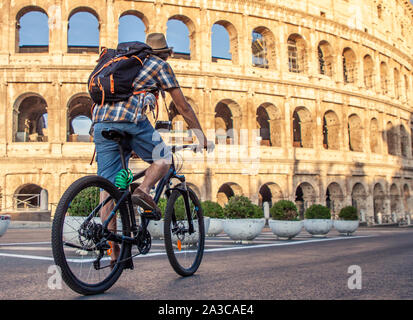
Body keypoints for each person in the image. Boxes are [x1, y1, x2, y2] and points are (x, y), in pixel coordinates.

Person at [92, 33, 213, 265]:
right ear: (165, 52)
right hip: (130, 120)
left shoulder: (116, 63)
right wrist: (200, 136)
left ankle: (115, 249)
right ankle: (145, 190)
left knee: (108, 188)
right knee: (165, 158)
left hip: (100, 124)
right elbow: (183, 106)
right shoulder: (159, 65)